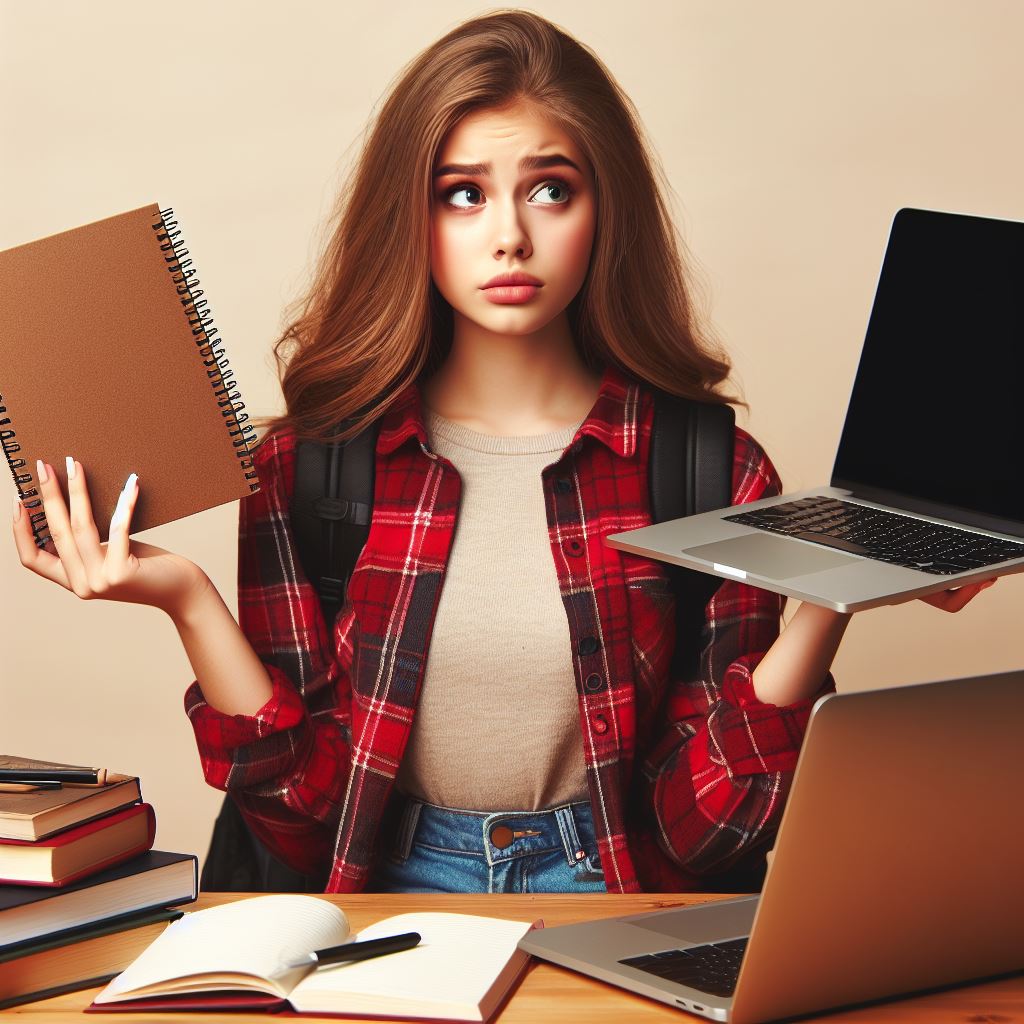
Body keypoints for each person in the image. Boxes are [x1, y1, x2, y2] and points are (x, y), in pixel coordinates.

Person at [12, 10, 995, 895]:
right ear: (413, 215)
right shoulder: (312, 469)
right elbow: (303, 823)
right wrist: (186, 597)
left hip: (615, 893)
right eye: (463, 195)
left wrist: (830, 592)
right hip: (387, 895)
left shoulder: (709, 470)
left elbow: (709, 835)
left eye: (550, 190)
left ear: (604, 209)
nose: (510, 238)